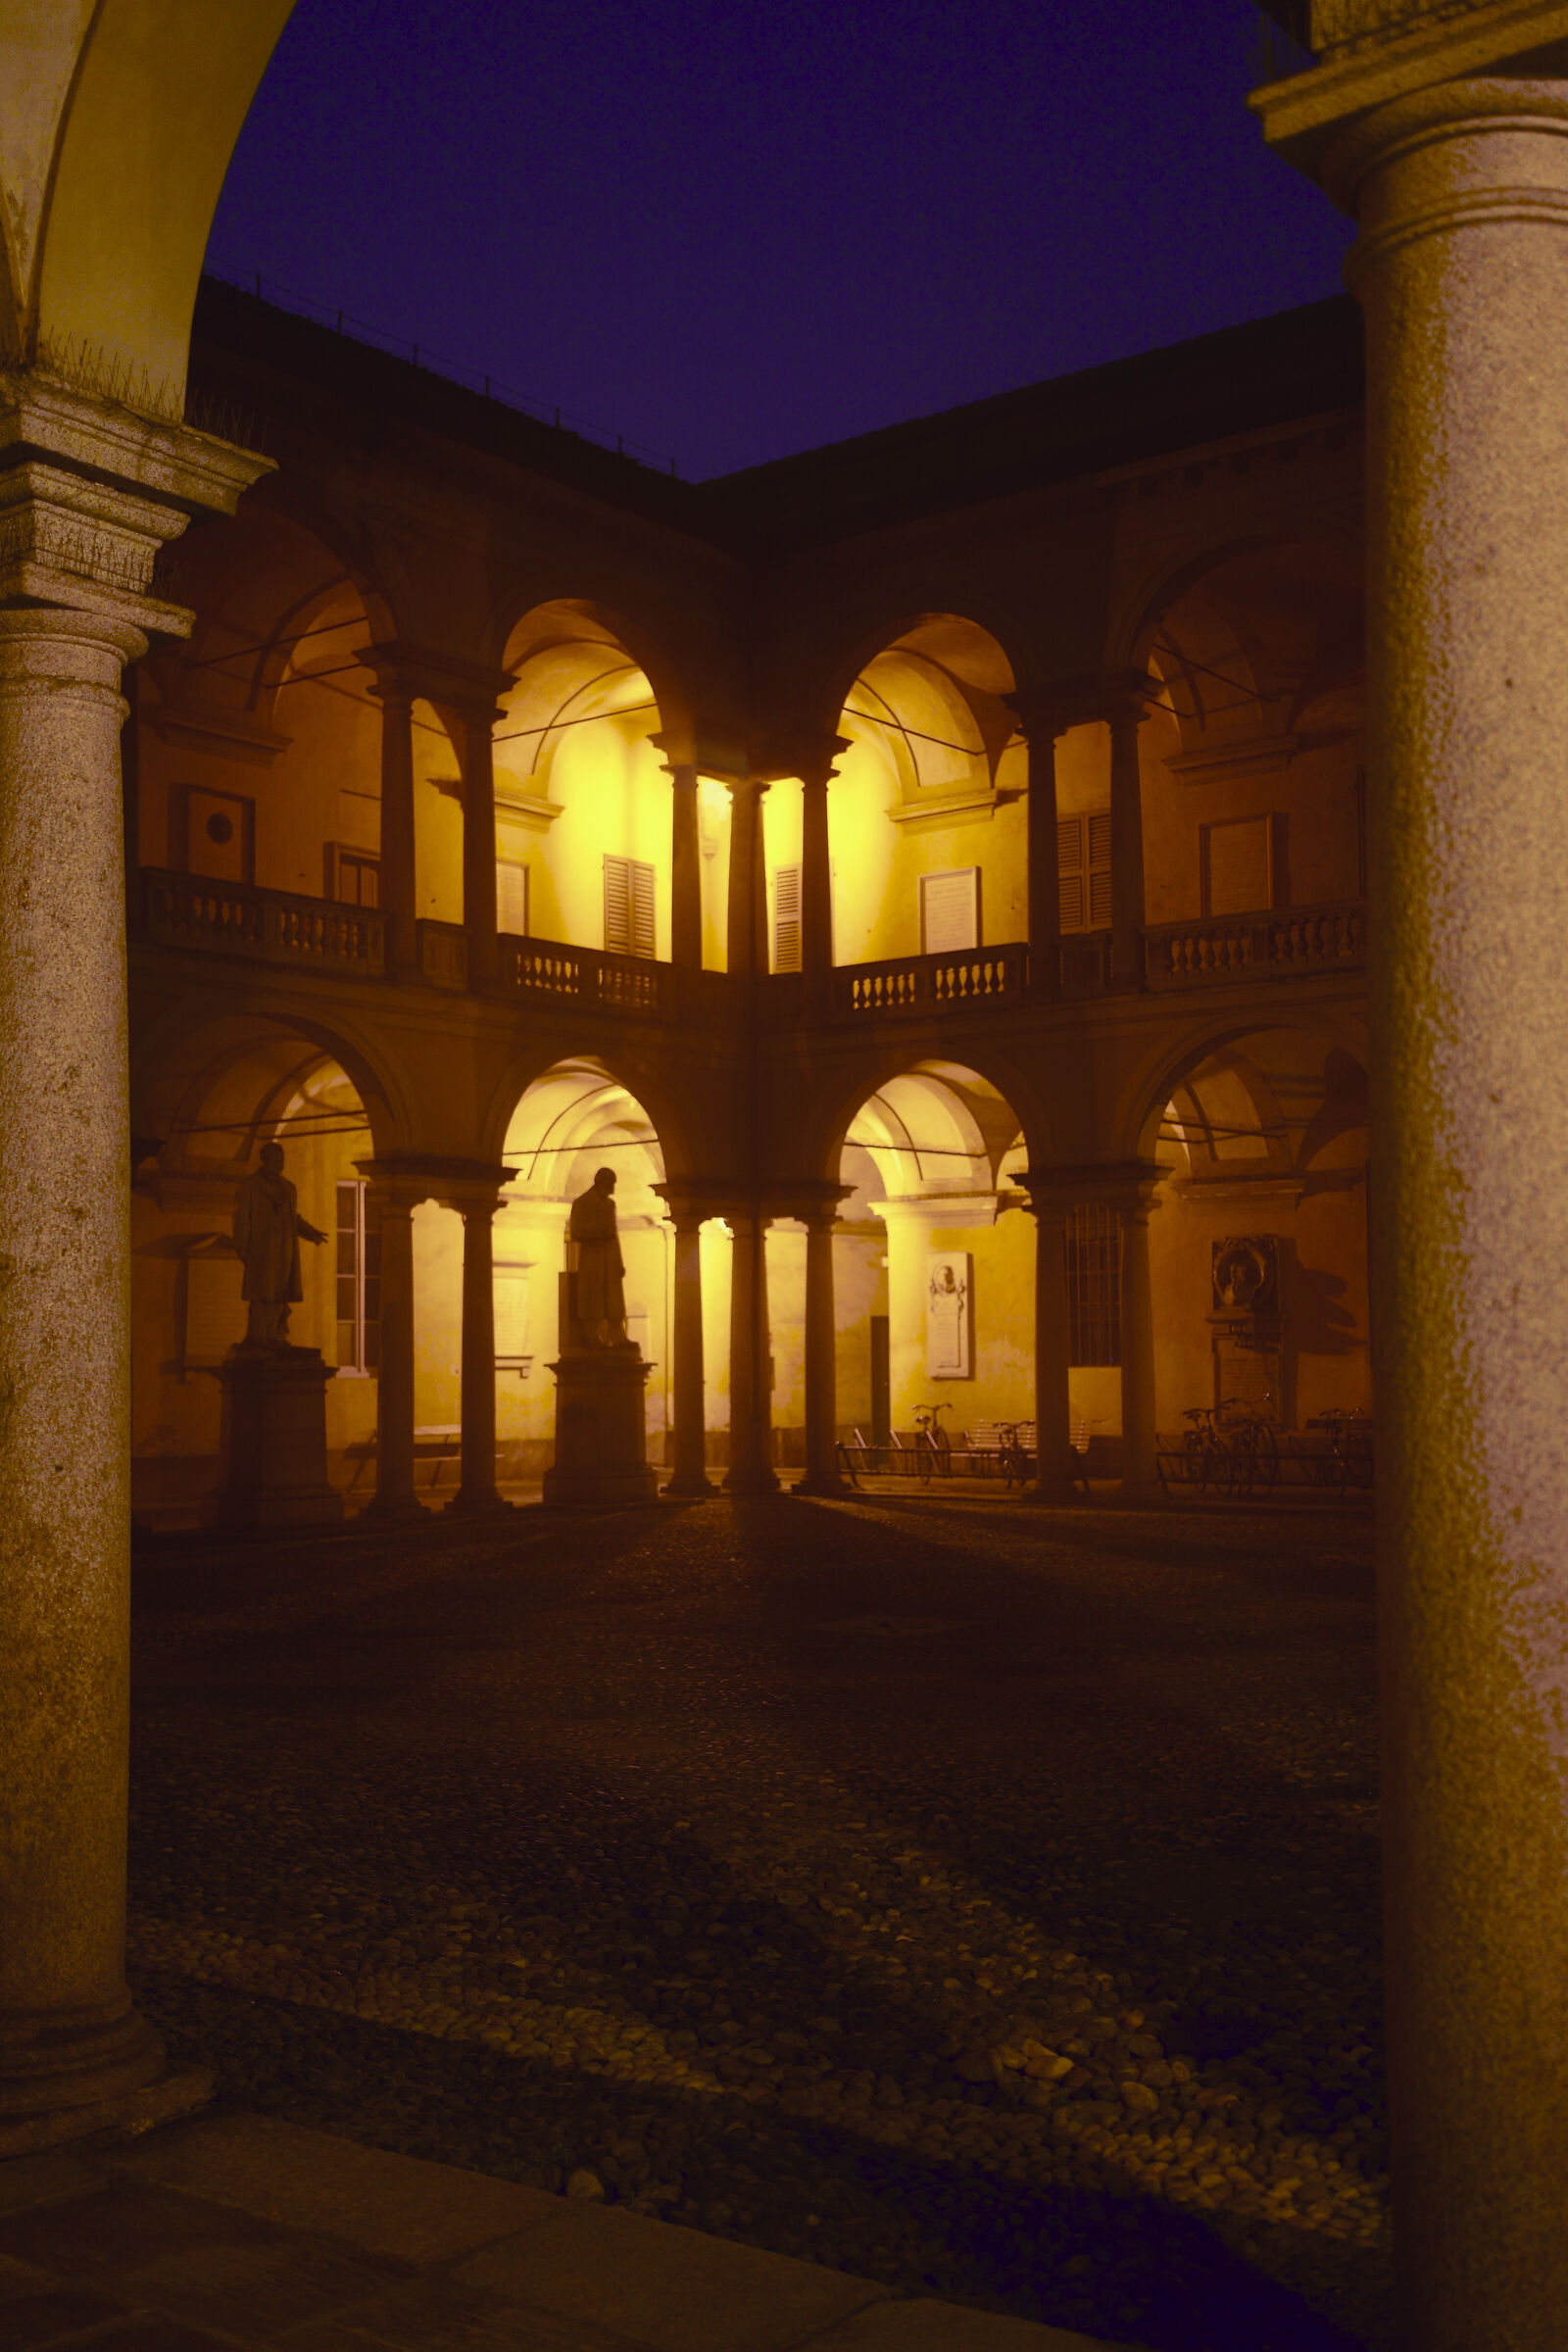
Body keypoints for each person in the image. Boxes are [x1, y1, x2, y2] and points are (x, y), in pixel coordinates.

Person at [232, 1140, 326, 1347]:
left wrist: (310, 1232)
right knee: (262, 1292)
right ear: (266, 1161)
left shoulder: (288, 1188)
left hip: (285, 1250)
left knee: (280, 1293)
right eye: (277, 1160)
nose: (281, 1164)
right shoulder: (250, 1186)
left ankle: (276, 1334)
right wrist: (242, 1247)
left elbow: (292, 1218)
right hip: (262, 1249)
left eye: (282, 1160)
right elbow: (242, 1219)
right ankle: (260, 1336)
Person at [568, 1166, 631, 1348]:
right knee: (592, 1298)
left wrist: (619, 1262)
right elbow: (576, 1232)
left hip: (610, 1258)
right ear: (600, 1182)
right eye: (611, 1184)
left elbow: (614, 1234)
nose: (613, 1188)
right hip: (592, 1258)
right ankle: (591, 1336)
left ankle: (617, 1335)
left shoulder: (611, 1205)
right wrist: (597, 1234)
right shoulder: (581, 1203)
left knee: (613, 1300)